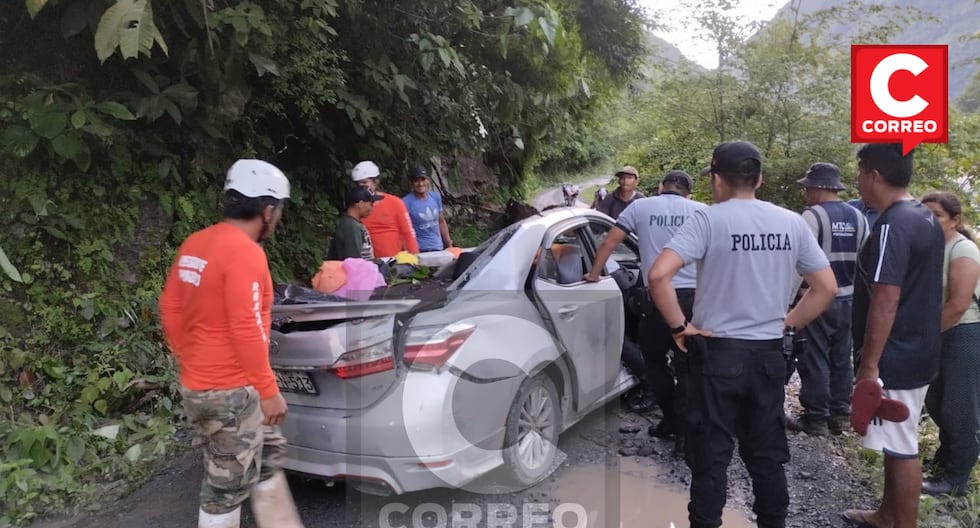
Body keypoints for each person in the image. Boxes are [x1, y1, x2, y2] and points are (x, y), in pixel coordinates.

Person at [647, 141, 836, 528]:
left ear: (717, 179)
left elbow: (658, 275)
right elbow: (826, 288)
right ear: (759, 179)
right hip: (768, 357)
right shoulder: (791, 222)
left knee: (711, 457)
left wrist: (679, 327)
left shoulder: (708, 220)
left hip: (715, 355)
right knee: (766, 454)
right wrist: (787, 324)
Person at [159, 159, 305, 528]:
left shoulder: (196, 243)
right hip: (231, 391)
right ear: (267, 210)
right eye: (280, 211)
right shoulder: (245, 253)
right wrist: (269, 389)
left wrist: (190, 359)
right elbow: (247, 325)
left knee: (267, 455)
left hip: (208, 384)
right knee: (225, 485)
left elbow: (170, 307)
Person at [844, 144, 942, 528]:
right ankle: (887, 514)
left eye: (859, 172)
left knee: (901, 447)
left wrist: (869, 366)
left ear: (874, 175)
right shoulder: (924, 216)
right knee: (895, 442)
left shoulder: (892, 225)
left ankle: (903, 523)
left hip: (896, 353)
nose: (857, 180)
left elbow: (886, 299)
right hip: (919, 346)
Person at [584, 170, 707, 451]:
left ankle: (671, 420)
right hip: (693, 299)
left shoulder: (641, 206)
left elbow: (609, 242)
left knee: (654, 362)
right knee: (688, 365)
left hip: (657, 297)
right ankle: (686, 434)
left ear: (661, 186)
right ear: (689, 192)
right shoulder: (702, 211)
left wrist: (593, 274)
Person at [786, 163, 869, 436]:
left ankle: (816, 418)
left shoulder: (811, 217)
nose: (806, 193)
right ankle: (840, 415)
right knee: (841, 357)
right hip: (850, 298)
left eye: (808, 188)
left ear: (820, 188)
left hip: (818, 297)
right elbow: (866, 259)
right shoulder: (857, 216)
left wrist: (788, 301)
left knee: (815, 355)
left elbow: (800, 262)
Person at [920, 192, 980, 497]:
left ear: (955, 220)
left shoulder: (963, 249)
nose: (929, 220)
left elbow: (958, 304)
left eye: (937, 215)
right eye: (925, 214)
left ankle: (957, 479)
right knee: (937, 400)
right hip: (940, 330)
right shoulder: (930, 247)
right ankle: (946, 460)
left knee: (960, 407)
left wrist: (924, 339)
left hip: (964, 332)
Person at [351, 160, 419, 257]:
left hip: (394, 264)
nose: (361, 187)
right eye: (358, 184)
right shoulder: (355, 206)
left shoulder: (395, 202)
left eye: (364, 182)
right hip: (367, 265)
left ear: (375, 182)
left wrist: (415, 259)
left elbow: (408, 232)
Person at [402, 165, 453, 252]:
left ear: (428, 180)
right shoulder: (405, 202)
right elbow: (403, 230)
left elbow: (441, 221)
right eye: (416, 181)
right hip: (419, 250)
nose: (420, 184)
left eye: (423, 179)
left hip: (438, 247)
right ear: (411, 183)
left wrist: (448, 243)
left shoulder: (435, 196)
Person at [326, 185, 382, 260]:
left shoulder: (353, 224)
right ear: (360, 204)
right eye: (371, 204)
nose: (372, 208)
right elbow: (353, 262)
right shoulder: (351, 227)